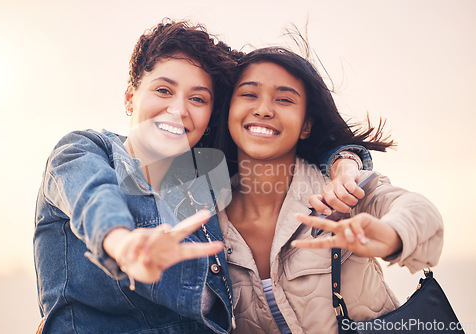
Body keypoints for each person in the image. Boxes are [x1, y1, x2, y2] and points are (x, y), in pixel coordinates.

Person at [33, 21, 371, 334]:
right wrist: (124, 245)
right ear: (130, 96)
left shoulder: (207, 178)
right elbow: (92, 197)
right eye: (163, 90)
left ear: (210, 116)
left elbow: (289, 148)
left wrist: (344, 162)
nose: (179, 109)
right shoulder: (85, 151)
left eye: (197, 99)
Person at [216, 47, 444, 333]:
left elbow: (424, 216)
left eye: (284, 99)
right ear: (228, 110)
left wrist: (390, 235)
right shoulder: (206, 221)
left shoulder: (344, 189)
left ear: (306, 125)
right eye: (249, 94)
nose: (263, 109)